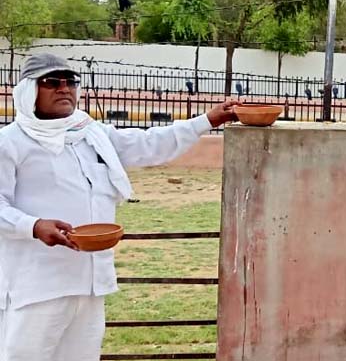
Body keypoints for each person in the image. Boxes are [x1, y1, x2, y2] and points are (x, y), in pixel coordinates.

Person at [0, 53, 238, 361]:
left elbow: (148, 143)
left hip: (91, 282)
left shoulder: (90, 133)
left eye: (70, 81)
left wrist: (207, 120)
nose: (64, 88)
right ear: (28, 90)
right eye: (51, 82)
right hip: (39, 285)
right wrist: (33, 226)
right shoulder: (10, 142)